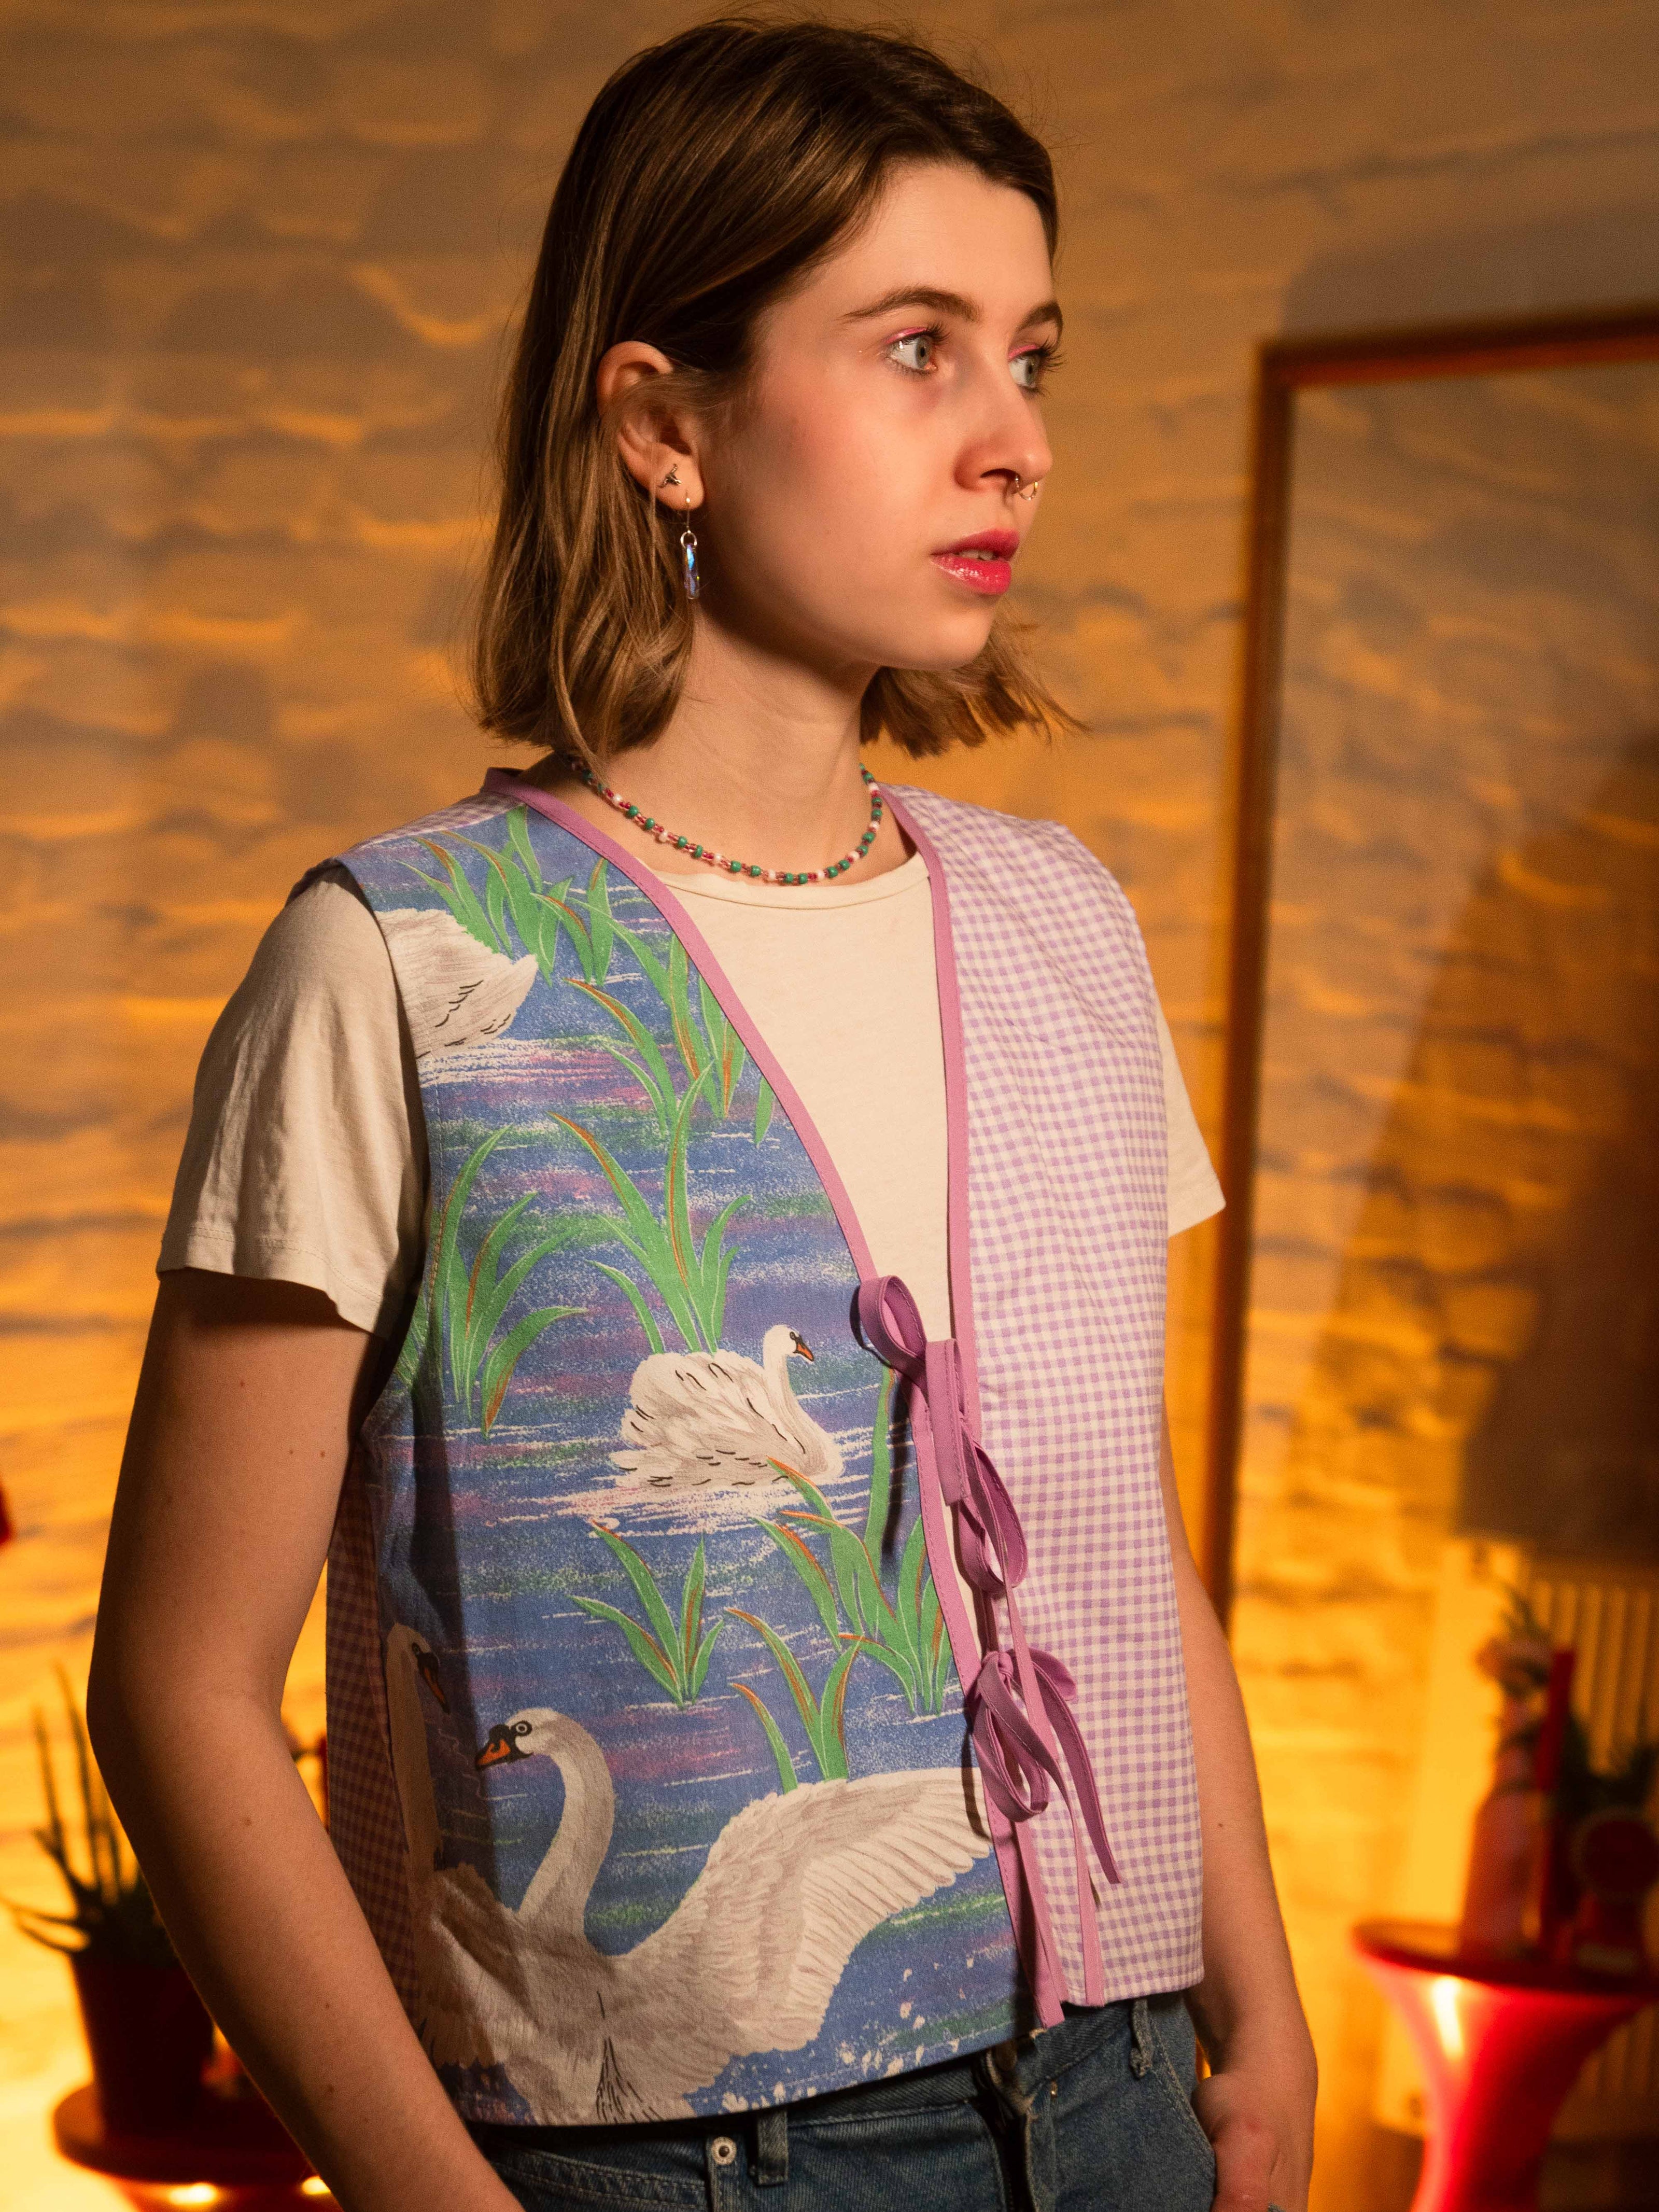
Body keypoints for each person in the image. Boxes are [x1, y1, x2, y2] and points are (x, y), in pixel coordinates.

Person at [89, 18, 1316, 2212]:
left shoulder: (1064, 926)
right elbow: (179, 1693)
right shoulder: (394, 964)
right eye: (918, 349)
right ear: (663, 422)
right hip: (687, 2162)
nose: (1017, 440)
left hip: (1128, 2095)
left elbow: (1115, 1539)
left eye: (1031, 356)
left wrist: (1264, 2016)